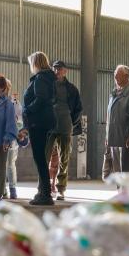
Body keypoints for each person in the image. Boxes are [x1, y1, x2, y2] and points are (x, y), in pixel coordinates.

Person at [23, 51, 56, 206]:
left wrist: (28, 109)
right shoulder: (48, 78)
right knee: (41, 158)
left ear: (35, 63)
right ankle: (43, 191)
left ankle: (45, 194)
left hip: (39, 122)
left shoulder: (40, 78)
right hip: (44, 121)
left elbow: (40, 99)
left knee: (40, 158)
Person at [46, 60, 82, 201]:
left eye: (59, 69)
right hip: (50, 126)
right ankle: (45, 186)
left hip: (65, 126)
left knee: (64, 159)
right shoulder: (48, 87)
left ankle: (61, 189)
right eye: (55, 69)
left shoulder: (72, 89)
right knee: (45, 157)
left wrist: (72, 123)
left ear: (65, 71)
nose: (57, 71)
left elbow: (78, 108)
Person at [105, 65, 129, 175]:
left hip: (126, 138)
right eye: (115, 75)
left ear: (126, 76)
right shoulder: (114, 93)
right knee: (117, 169)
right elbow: (109, 115)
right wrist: (107, 136)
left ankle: (127, 191)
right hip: (113, 137)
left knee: (126, 168)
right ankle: (120, 190)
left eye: (118, 75)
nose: (115, 77)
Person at [0, 74, 18, 201]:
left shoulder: (7, 104)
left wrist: (7, 139)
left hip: (1, 140)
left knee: (1, 168)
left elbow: (10, 122)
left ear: (2, 88)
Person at [6, 85, 22, 199]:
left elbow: (21, 119)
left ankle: (12, 189)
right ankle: (1, 189)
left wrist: (16, 120)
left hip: (12, 137)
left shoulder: (15, 103)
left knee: (10, 164)